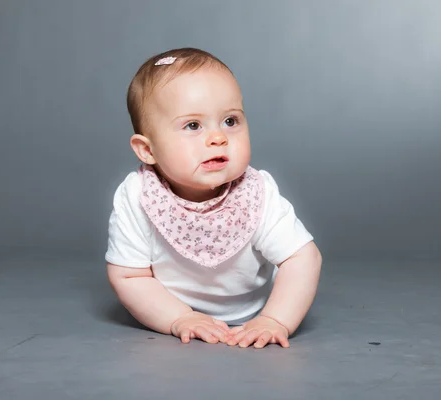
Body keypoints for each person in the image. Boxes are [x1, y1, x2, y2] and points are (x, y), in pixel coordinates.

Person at [105, 48, 322, 349]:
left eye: (230, 121)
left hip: (254, 312)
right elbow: (130, 276)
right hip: (168, 307)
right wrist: (180, 318)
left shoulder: (256, 193)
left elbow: (302, 258)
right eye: (193, 126)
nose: (218, 138)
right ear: (147, 150)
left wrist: (275, 319)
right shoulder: (138, 196)